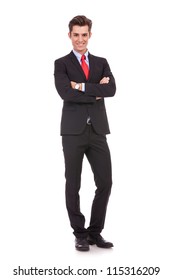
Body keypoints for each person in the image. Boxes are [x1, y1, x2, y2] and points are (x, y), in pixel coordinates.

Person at [54, 15, 116, 251]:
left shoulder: (101, 62)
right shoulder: (61, 64)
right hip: (72, 132)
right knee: (73, 183)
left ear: (90, 35)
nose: (80, 39)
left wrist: (79, 86)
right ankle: (79, 233)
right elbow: (65, 93)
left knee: (106, 182)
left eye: (84, 34)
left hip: (98, 130)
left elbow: (111, 89)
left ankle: (94, 232)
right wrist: (95, 90)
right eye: (76, 34)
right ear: (69, 35)